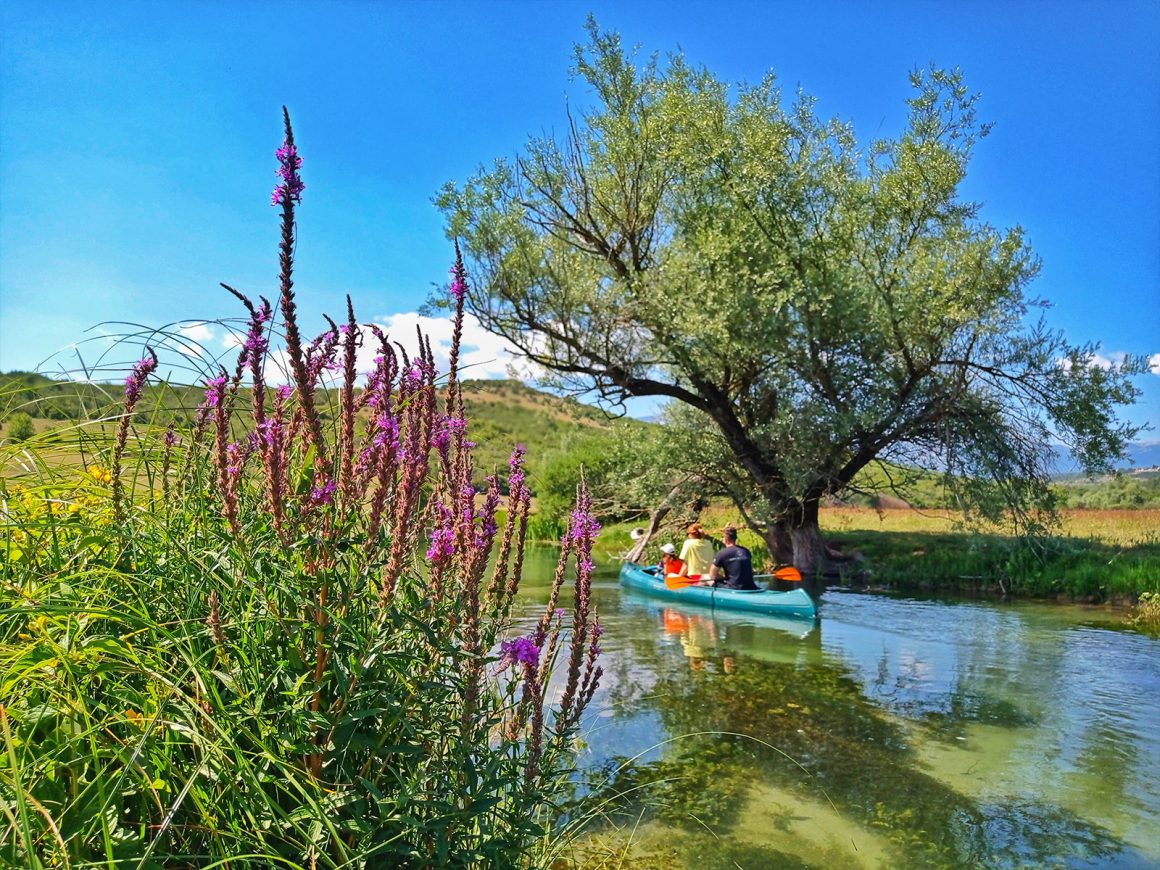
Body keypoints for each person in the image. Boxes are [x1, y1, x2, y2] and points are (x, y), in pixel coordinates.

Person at [707, 525, 758, 590]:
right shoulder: (746, 551)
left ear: (725, 539)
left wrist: (723, 578)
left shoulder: (722, 553)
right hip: (750, 587)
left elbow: (712, 575)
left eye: (722, 537)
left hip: (733, 588)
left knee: (704, 577)